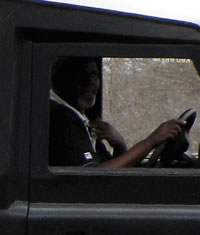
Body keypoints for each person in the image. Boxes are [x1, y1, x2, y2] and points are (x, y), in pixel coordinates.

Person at [48, 57, 184, 167]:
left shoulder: (81, 119)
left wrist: (119, 144)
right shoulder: (59, 118)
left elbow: (112, 172)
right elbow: (91, 179)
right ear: (62, 80)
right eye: (82, 76)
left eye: (94, 75)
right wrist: (149, 142)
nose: (91, 83)